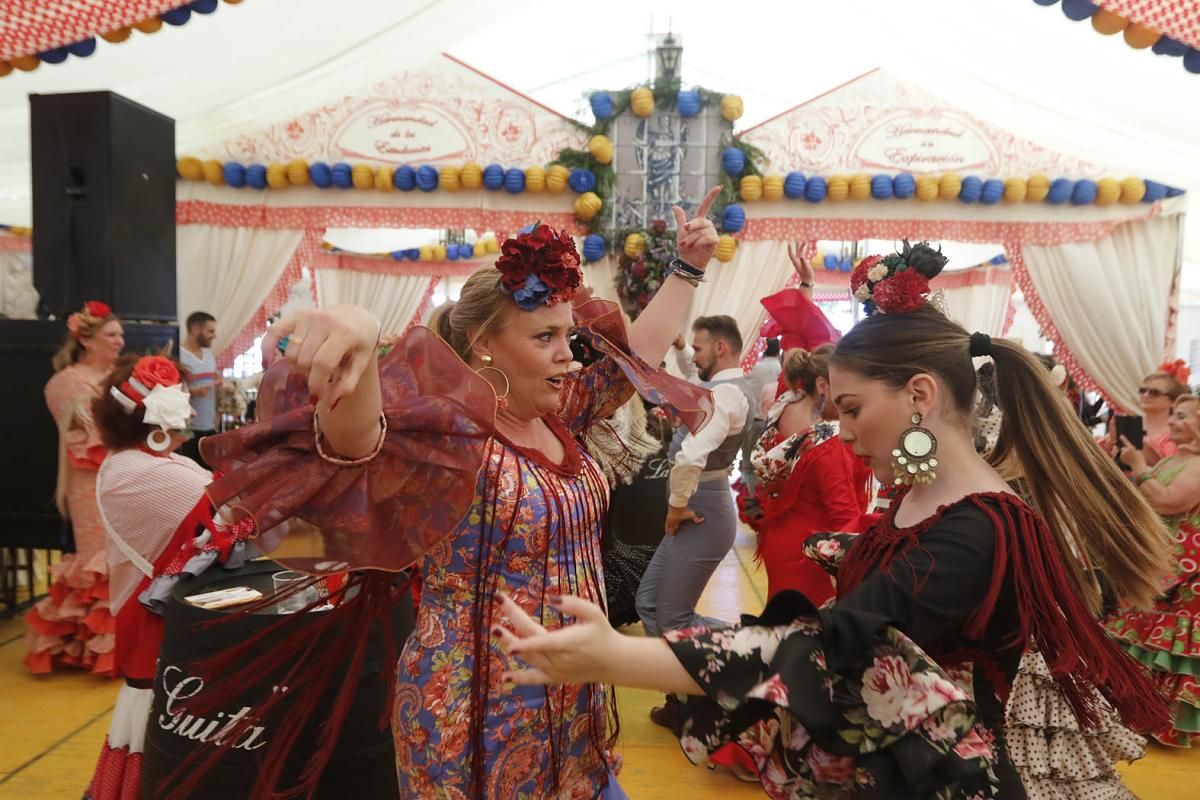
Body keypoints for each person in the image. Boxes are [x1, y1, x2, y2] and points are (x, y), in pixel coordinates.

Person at [495, 241, 1171, 800]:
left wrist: (617, 657)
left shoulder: (980, 526)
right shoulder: (926, 493)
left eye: (850, 409)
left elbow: (831, 648)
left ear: (921, 396)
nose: (841, 433)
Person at [193, 194, 723, 799]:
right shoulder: (448, 435)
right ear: (485, 344)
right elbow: (358, 441)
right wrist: (363, 345)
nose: (566, 356)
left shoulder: (559, 418)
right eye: (544, 336)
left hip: (575, 701)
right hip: (476, 711)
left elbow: (639, 354)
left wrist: (689, 266)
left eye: (568, 336)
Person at [84, 354, 215, 799]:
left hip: (173, 623)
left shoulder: (144, 464)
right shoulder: (139, 472)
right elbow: (233, 514)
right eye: (180, 397)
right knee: (166, 740)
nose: (192, 408)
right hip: (158, 626)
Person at [636, 314, 752, 732]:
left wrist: (676, 504)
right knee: (649, 604)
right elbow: (691, 375)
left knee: (673, 619)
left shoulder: (726, 396)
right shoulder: (721, 387)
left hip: (702, 507)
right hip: (697, 503)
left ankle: (757, 647)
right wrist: (684, 347)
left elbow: (690, 456)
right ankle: (681, 697)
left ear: (720, 348)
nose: (694, 357)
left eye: (700, 348)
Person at [25, 300, 123, 676]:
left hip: (124, 473)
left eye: (120, 335)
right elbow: (94, 431)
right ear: (86, 339)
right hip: (89, 479)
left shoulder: (118, 376)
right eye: (111, 335)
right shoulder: (67, 382)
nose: (119, 341)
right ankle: (92, 647)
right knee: (99, 556)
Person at [740, 345, 870, 603]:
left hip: (786, 540)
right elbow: (844, 515)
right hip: (812, 553)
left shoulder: (784, 411)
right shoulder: (829, 444)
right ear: (823, 386)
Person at [1109, 393, 1200, 747]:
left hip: (1184, 575)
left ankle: (1164, 719)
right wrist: (1139, 459)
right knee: (1144, 636)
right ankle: (1140, 712)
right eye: (1174, 415)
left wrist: (1141, 467)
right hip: (1159, 561)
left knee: (1170, 648)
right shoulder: (1178, 458)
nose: (1172, 422)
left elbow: (1167, 500)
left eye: (1181, 416)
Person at [178, 311, 220, 468]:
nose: (214, 336)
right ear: (196, 329)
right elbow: (168, 393)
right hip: (187, 430)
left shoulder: (209, 356)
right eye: (211, 331)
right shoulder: (179, 356)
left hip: (210, 427)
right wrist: (192, 393)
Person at [739, 339, 781, 491]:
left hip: (753, 421)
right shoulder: (782, 369)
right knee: (772, 467)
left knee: (749, 465)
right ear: (779, 350)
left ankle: (752, 502)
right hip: (776, 424)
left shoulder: (753, 368)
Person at [1136, 360, 1190, 465]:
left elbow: (1170, 472)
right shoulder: (1130, 422)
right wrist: (1111, 443)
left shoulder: (1177, 433)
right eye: (1143, 390)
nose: (1145, 395)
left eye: (1154, 392)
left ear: (1173, 401)